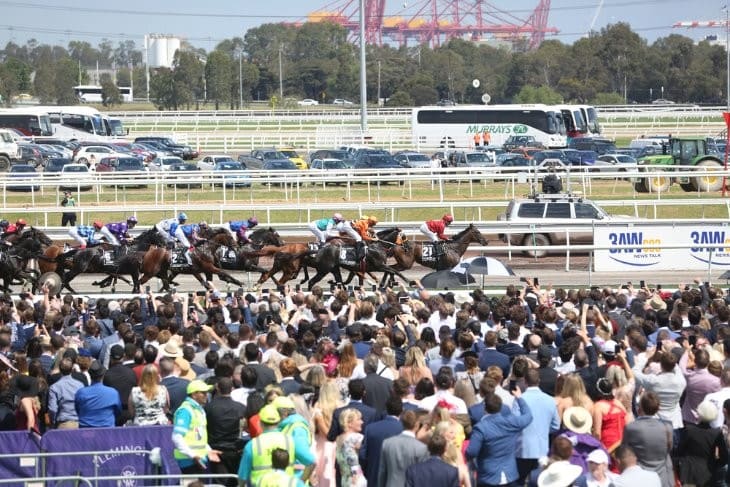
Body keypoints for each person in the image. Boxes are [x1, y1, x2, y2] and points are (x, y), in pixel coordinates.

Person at [466, 388, 533, 486]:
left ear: (484, 407)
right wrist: (519, 398)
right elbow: (528, 416)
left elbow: (471, 451)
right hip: (509, 475)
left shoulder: (480, 428)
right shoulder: (511, 422)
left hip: (488, 477)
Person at [622, 391, 674, 487]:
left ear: (640, 408)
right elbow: (669, 449)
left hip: (641, 478)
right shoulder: (668, 427)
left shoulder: (631, 427)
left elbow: (625, 450)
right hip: (663, 477)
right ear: (658, 408)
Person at [238, 404, 295, 486]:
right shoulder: (289, 440)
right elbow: (309, 461)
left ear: (260, 423)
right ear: (279, 422)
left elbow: (242, 476)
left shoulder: (252, 444)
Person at [172, 379, 221, 475]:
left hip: (198, 458)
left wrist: (209, 450)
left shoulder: (199, 410)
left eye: (206, 393)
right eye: (203, 393)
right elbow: (177, 437)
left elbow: (199, 436)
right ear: (194, 395)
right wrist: (193, 455)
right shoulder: (185, 410)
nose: (206, 395)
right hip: (187, 460)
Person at [205, 377, 247, 487]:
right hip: (235, 450)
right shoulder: (241, 408)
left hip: (216, 450)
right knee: (234, 482)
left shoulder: (209, 407)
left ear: (217, 388)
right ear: (232, 389)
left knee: (220, 483)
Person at [676, 400, 728, 487]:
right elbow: (724, 458)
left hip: (688, 472)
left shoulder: (689, 430)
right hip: (707, 474)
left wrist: (681, 465)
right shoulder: (716, 433)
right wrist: (713, 464)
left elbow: (679, 451)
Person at [378, 409, 429, 487]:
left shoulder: (387, 443)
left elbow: (382, 472)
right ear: (417, 425)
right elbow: (422, 476)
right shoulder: (421, 448)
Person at [75, 361, 122, 428]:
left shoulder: (81, 393)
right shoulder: (113, 393)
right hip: (106, 432)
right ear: (103, 375)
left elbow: (78, 410)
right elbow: (118, 412)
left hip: (86, 432)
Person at [47, 357, 84, 429]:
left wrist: (53, 422)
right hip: (79, 424)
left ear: (60, 369)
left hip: (63, 424)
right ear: (72, 369)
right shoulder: (80, 385)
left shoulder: (54, 387)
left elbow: (52, 409)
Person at [335, 408, 367, 487]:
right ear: (349, 423)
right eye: (359, 419)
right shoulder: (357, 438)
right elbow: (355, 460)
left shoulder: (338, 439)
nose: (362, 422)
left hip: (344, 480)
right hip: (357, 480)